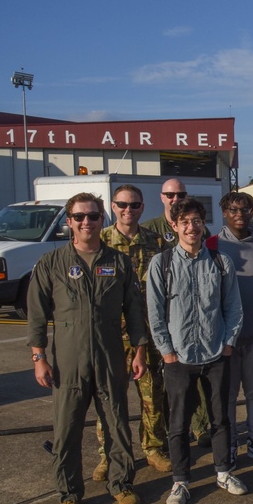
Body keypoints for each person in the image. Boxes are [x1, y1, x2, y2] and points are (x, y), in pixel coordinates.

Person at [28, 193, 148, 504]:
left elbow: (134, 311)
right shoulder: (52, 264)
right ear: (69, 221)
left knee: (116, 422)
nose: (86, 222)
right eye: (79, 217)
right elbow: (37, 314)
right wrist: (39, 356)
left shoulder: (118, 262)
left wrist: (139, 350)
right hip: (69, 357)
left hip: (110, 353)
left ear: (101, 220)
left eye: (93, 216)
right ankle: (69, 494)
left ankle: (121, 483)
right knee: (67, 428)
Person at [146, 198, 247, 504]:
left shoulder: (221, 262)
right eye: (185, 222)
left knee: (220, 418)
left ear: (205, 224)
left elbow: (233, 307)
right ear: (174, 226)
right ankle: (180, 481)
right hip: (178, 357)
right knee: (178, 423)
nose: (191, 227)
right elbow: (155, 312)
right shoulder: (161, 264)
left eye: (197, 221)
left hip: (216, 354)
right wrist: (166, 351)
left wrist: (228, 343)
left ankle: (223, 472)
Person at [93, 184, 170, 482]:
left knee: (153, 396)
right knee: (110, 399)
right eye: (123, 205)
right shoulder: (101, 242)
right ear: (113, 207)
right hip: (112, 336)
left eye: (135, 205)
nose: (129, 210)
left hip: (149, 332)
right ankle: (108, 454)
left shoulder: (156, 242)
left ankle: (153, 448)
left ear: (142, 207)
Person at [206, 192, 253, 467]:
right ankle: (230, 445)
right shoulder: (211, 245)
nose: (240, 214)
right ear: (224, 212)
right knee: (228, 395)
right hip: (225, 339)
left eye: (245, 209)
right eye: (234, 209)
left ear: (252, 212)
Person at [142, 177, 212, 445]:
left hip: (197, 318)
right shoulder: (150, 230)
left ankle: (201, 427)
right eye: (170, 195)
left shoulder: (197, 227)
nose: (175, 198)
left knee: (200, 386)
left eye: (180, 194)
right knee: (164, 389)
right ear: (162, 197)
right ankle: (166, 437)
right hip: (165, 317)